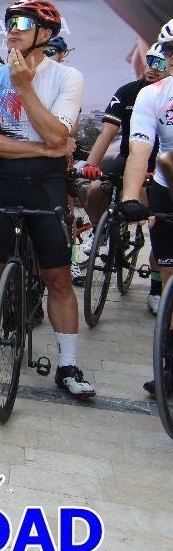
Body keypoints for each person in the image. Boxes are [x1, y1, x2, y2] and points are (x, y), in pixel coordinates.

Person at [0, 0, 94, 399]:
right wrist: (43, 148)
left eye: (21, 23)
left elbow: (59, 134)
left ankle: (68, 365)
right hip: (0, 182)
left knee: (58, 277)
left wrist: (23, 87)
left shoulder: (68, 77)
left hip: (46, 186)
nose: (12, 31)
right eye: (9, 23)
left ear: (45, 34)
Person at [82, 42, 169, 312]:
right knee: (96, 188)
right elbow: (107, 133)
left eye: (161, 62)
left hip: (160, 165)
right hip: (131, 156)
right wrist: (90, 165)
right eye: (150, 60)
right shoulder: (129, 91)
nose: (154, 67)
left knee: (156, 219)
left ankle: (156, 289)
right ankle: (97, 232)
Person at [120, 31, 173, 395]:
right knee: (169, 273)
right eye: (170, 51)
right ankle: (170, 363)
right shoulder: (152, 94)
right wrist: (129, 197)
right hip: (168, 188)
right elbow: (140, 149)